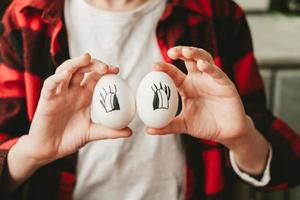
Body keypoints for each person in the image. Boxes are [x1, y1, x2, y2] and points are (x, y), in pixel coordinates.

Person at [0, 0, 299, 199]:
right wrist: (32, 152)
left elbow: (288, 168)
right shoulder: (25, 17)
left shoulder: (217, 14)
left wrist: (242, 137)